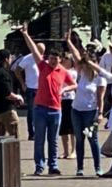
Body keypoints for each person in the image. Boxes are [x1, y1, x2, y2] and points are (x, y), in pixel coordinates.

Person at [19, 26, 72, 176]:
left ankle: (53, 165)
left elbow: (74, 84)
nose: (54, 61)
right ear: (48, 59)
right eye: (52, 58)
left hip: (56, 110)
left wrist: (64, 90)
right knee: (39, 139)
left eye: (56, 59)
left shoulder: (63, 71)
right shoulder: (43, 66)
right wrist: (26, 34)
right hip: (40, 109)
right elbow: (35, 51)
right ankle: (39, 166)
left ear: (60, 59)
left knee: (53, 140)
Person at [63, 34, 104, 177]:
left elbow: (100, 97)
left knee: (93, 139)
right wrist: (68, 41)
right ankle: (79, 168)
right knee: (80, 139)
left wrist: (100, 113)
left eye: (87, 64)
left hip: (90, 111)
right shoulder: (80, 73)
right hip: (76, 110)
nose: (84, 66)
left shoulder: (99, 78)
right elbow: (75, 55)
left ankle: (98, 167)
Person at [0, 49, 23, 137]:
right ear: (6, 59)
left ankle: (0, 151)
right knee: (14, 137)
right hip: (7, 111)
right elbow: (8, 94)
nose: (11, 59)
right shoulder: (3, 74)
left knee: (1, 138)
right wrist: (18, 97)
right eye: (10, 57)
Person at [15, 40, 44, 141]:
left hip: (42, 89)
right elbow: (17, 70)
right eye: (40, 51)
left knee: (41, 111)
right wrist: (22, 83)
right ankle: (31, 133)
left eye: (43, 52)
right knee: (32, 111)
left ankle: (40, 131)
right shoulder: (28, 58)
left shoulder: (43, 59)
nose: (41, 54)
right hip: (31, 88)